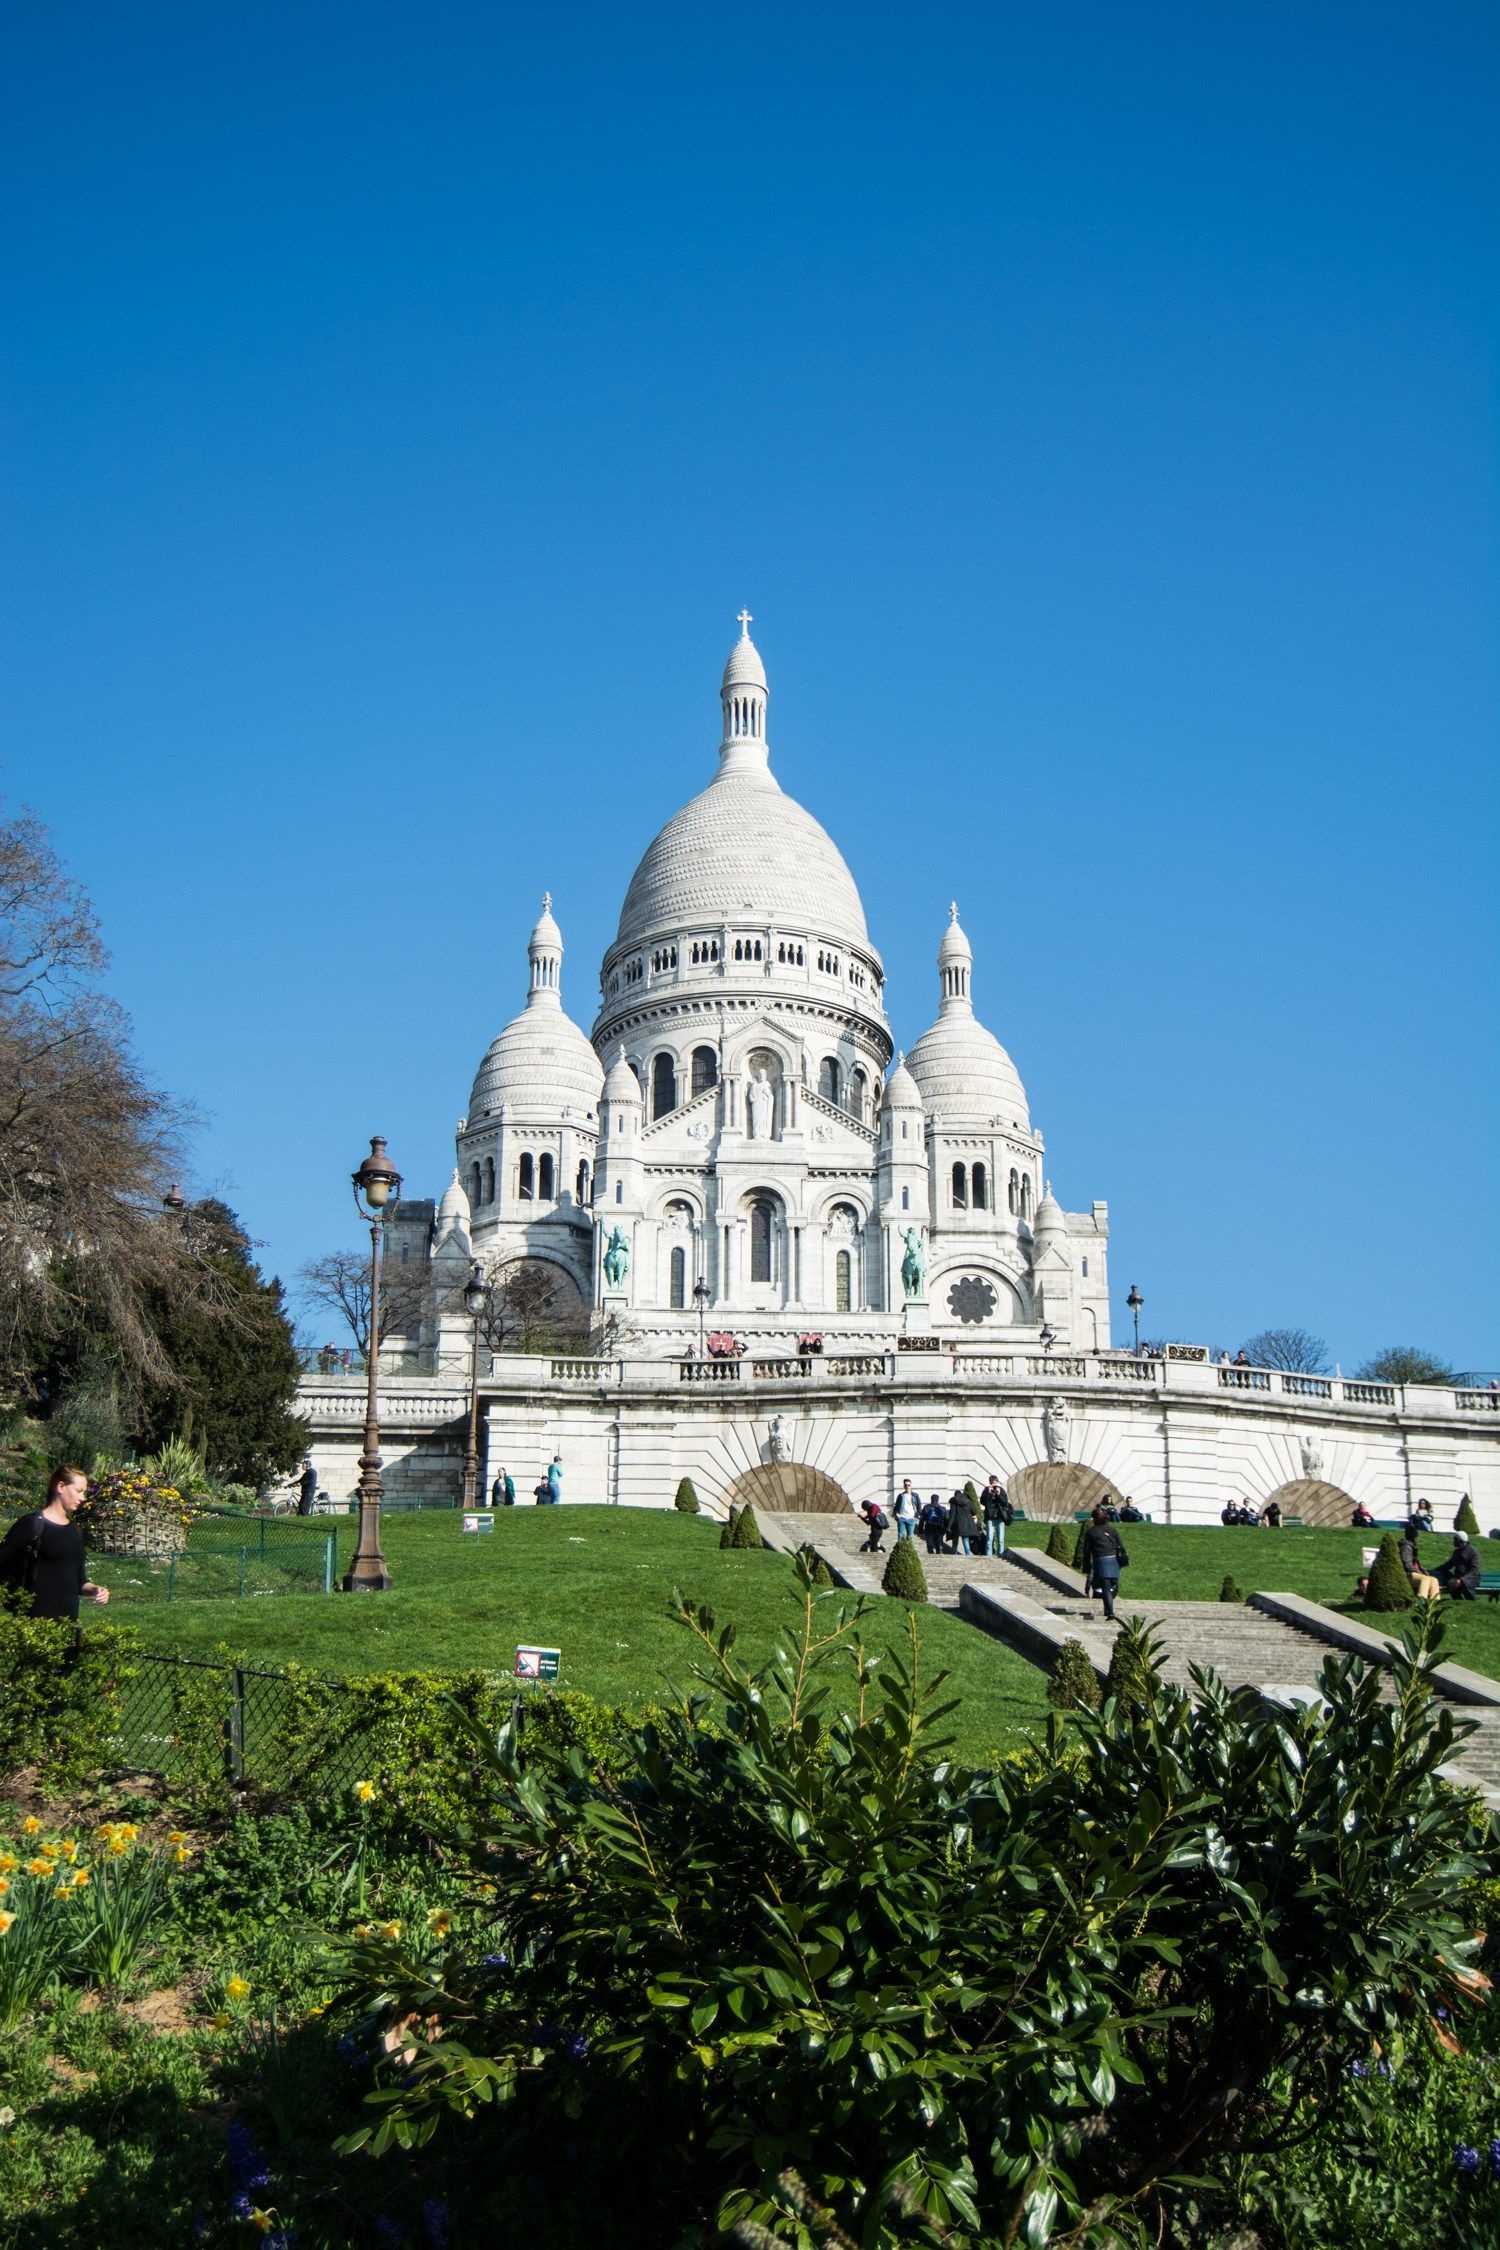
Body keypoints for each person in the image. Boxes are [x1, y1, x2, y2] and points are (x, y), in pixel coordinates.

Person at [0, 1465, 111, 1621]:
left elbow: (80, 1580)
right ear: (61, 1487)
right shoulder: (31, 1524)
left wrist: (95, 1590)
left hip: (68, 1624)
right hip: (34, 1625)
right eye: (79, 1491)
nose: (83, 1498)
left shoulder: (75, 1531)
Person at [1079, 1506, 1129, 1623]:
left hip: (1101, 1561)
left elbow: (1087, 1552)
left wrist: (1086, 1568)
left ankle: (1110, 1612)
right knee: (1113, 1585)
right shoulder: (1113, 1531)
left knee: (1106, 1587)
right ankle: (1108, 1610)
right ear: (1106, 1518)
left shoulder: (1091, 1532)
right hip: (1113, 1561)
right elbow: (1121, 1547)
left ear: (1094, 1519)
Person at [1398, 1532, 1441, 1601]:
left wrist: (1423, 1570)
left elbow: (1416, 1563)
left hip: (1413, 1573)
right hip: (1407, 1574)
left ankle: (1435, 1601)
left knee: (1434, 1579)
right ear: (1414, 1538)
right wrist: (1418, 1572)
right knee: (1425, 1579)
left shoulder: (1411, 1547)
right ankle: (1421, 1601)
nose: (1417, 1539)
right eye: (1417, 1537)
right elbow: (1407, 1564)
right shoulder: (1406, 1547)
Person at [1439, 1533, 1482, 1601]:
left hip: (1472, 1578)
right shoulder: (1456, 1552)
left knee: (1465, 1584)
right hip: (1458, 1577)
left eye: (1455, 1540)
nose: (1453, 1542)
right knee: (1451, 1583)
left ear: (1460, 1541)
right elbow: (1448, 1565)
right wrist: (1433, 1571)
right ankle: (1458, 1601)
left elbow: (1474, 1570)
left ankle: (1472, 1602)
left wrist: (1462, 1580)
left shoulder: (1473, 1552)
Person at [981, 1476, 1011, 1556]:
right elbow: (982, 1502)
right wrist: (989, 1494)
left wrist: (998, 1494)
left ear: (997, 1483)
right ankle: (989, 1557)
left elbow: (1005, 1503)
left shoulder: (1001, 1491)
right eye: (991, 1483)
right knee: (989, 1539)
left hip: (1000, 1518)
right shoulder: (986, 1491)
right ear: (989, 1483)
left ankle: (1000, 1555)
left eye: (994, 1483)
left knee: (1000, 1540)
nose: (993, 1485)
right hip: (990, 1518)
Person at [947, 1486, 977, 1557]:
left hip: (957, 1523)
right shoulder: (968, 1501)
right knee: (965, 1539)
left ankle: (954, 1554)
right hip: (967, 1522)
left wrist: (948, 1526)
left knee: (955, 1539)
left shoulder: (954, 1502)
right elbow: (974, 1511)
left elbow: (952, 1515)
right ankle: (968, 1555)